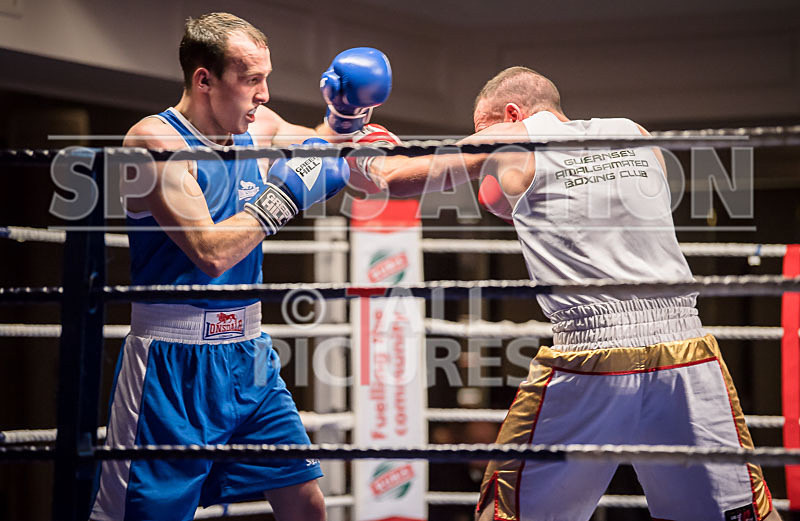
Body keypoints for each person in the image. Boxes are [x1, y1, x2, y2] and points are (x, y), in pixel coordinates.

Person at [349, 66, 779, 521]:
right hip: (686, 349)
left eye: (483, 128)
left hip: (593, 356)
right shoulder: (632, 132)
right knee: (740, 511)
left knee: (507, 512)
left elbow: (395, 177)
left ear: (511, 113)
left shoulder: (510, 139)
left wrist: (360, 141)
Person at [90, 13, 388, 521]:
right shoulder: (155, 142)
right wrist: (284, 196)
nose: (264, 94)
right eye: (251, 80)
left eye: (265, 78)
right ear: (204, 79)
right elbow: (210, 252)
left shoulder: (260, 128)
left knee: (306, 503)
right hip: (172, 363)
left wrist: (346, 119)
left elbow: (320, 147)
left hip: (248, 355)